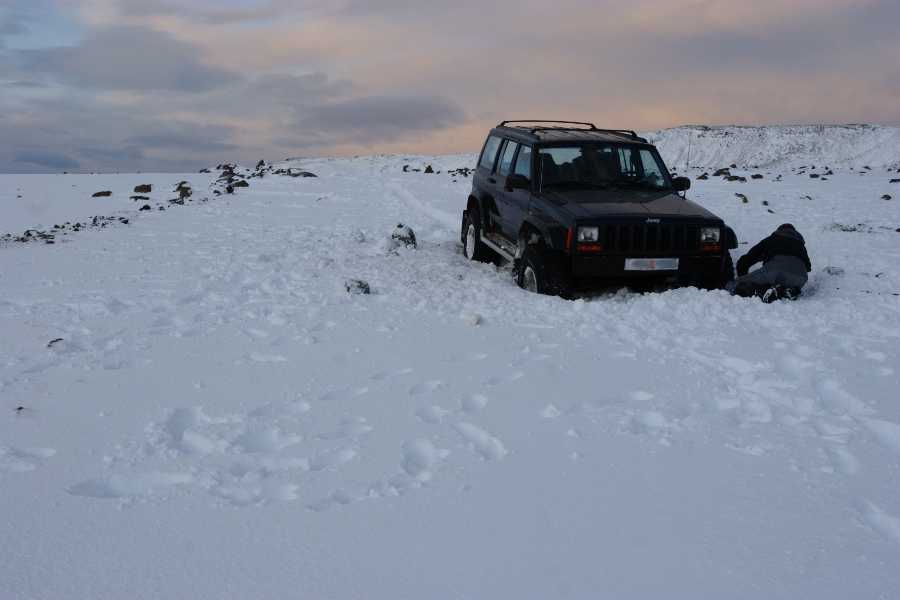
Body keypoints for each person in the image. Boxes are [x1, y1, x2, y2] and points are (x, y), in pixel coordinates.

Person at [726, 223, 811, 302]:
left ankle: (762, 291)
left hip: (775, 271)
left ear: (778, 231)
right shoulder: (800, 246)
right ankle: (790, 291)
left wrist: (744, 279)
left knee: (733, 286)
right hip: (800, 278)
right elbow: (808, 267)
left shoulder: (772, 239)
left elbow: (744, 261)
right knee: (785, 280)